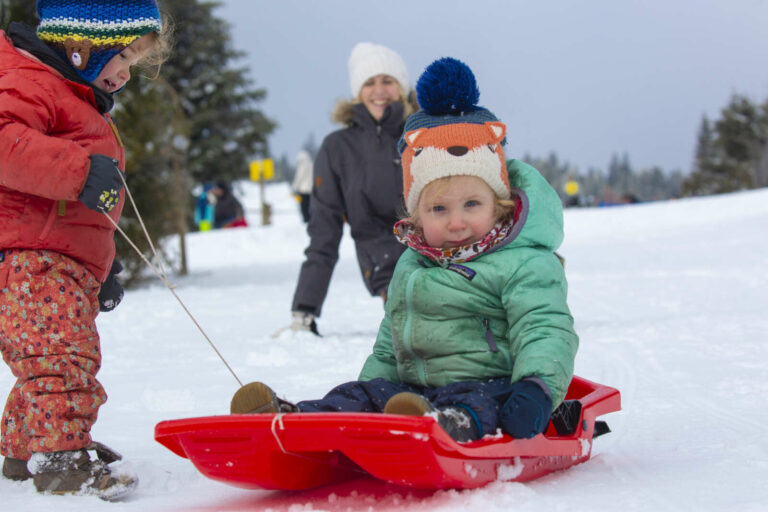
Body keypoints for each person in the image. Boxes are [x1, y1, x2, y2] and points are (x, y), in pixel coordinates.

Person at [232, 58, 578, 444]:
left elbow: (544, 327)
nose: (456, 222)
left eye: (471, 205)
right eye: (438, 209)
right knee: (360, 394)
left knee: (478, 402)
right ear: (416, 214)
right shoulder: (414, 262)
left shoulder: (523, 262)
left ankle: (441, 427)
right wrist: (370, 391)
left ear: (498, 204)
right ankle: (298, 423)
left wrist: (536, 387)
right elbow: (390, 339)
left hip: (490, 385)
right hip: (414, 394)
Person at [0, 0, 170, 498]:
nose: (124, 74)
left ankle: (26, 449)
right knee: (63, 359)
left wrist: (103, 264)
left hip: (59, 257)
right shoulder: (28, 81)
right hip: (30, 258)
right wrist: (78, 170)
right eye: (122, 57)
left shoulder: (76, 99)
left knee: (46, 359)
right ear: (82, 46)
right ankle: (61, 460)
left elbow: (78, 213)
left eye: (132, 64)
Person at [282, 42, 418, 336]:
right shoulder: (337, 149)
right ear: (358, 91)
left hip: (435, 258)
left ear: (403, 87)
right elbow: (324, 232)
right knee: (412, 329)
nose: (379, 90)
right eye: (369, 82)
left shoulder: (422, 136)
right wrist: (304, 310)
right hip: (385, 268)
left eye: (388, 81)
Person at [292, 149, 314, 223]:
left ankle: (306, 220)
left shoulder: (302, 166)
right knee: (310, 205)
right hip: (312, 190)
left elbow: (299, 177)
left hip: (303, 190)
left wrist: (294, 187)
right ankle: (311, 219)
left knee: (304, 206)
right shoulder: (312, 165)